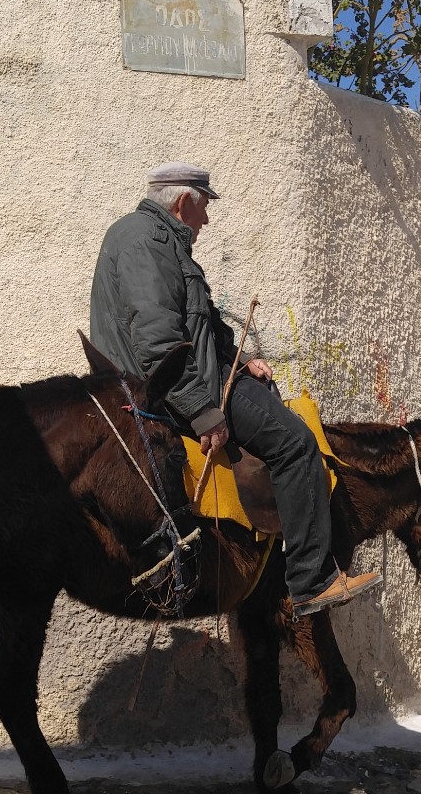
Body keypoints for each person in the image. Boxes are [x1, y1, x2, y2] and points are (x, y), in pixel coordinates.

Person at [89, 163, 382, 619]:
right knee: (296, 444)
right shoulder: (147, 241)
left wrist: (243, 361)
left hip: (202, 377)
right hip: (180, 391)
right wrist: (203, 411)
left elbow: (199, 325)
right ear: (185, 202)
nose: (206, 220)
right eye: (205, 208)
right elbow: (158, 344)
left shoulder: (158, 239)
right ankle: (311, 582)